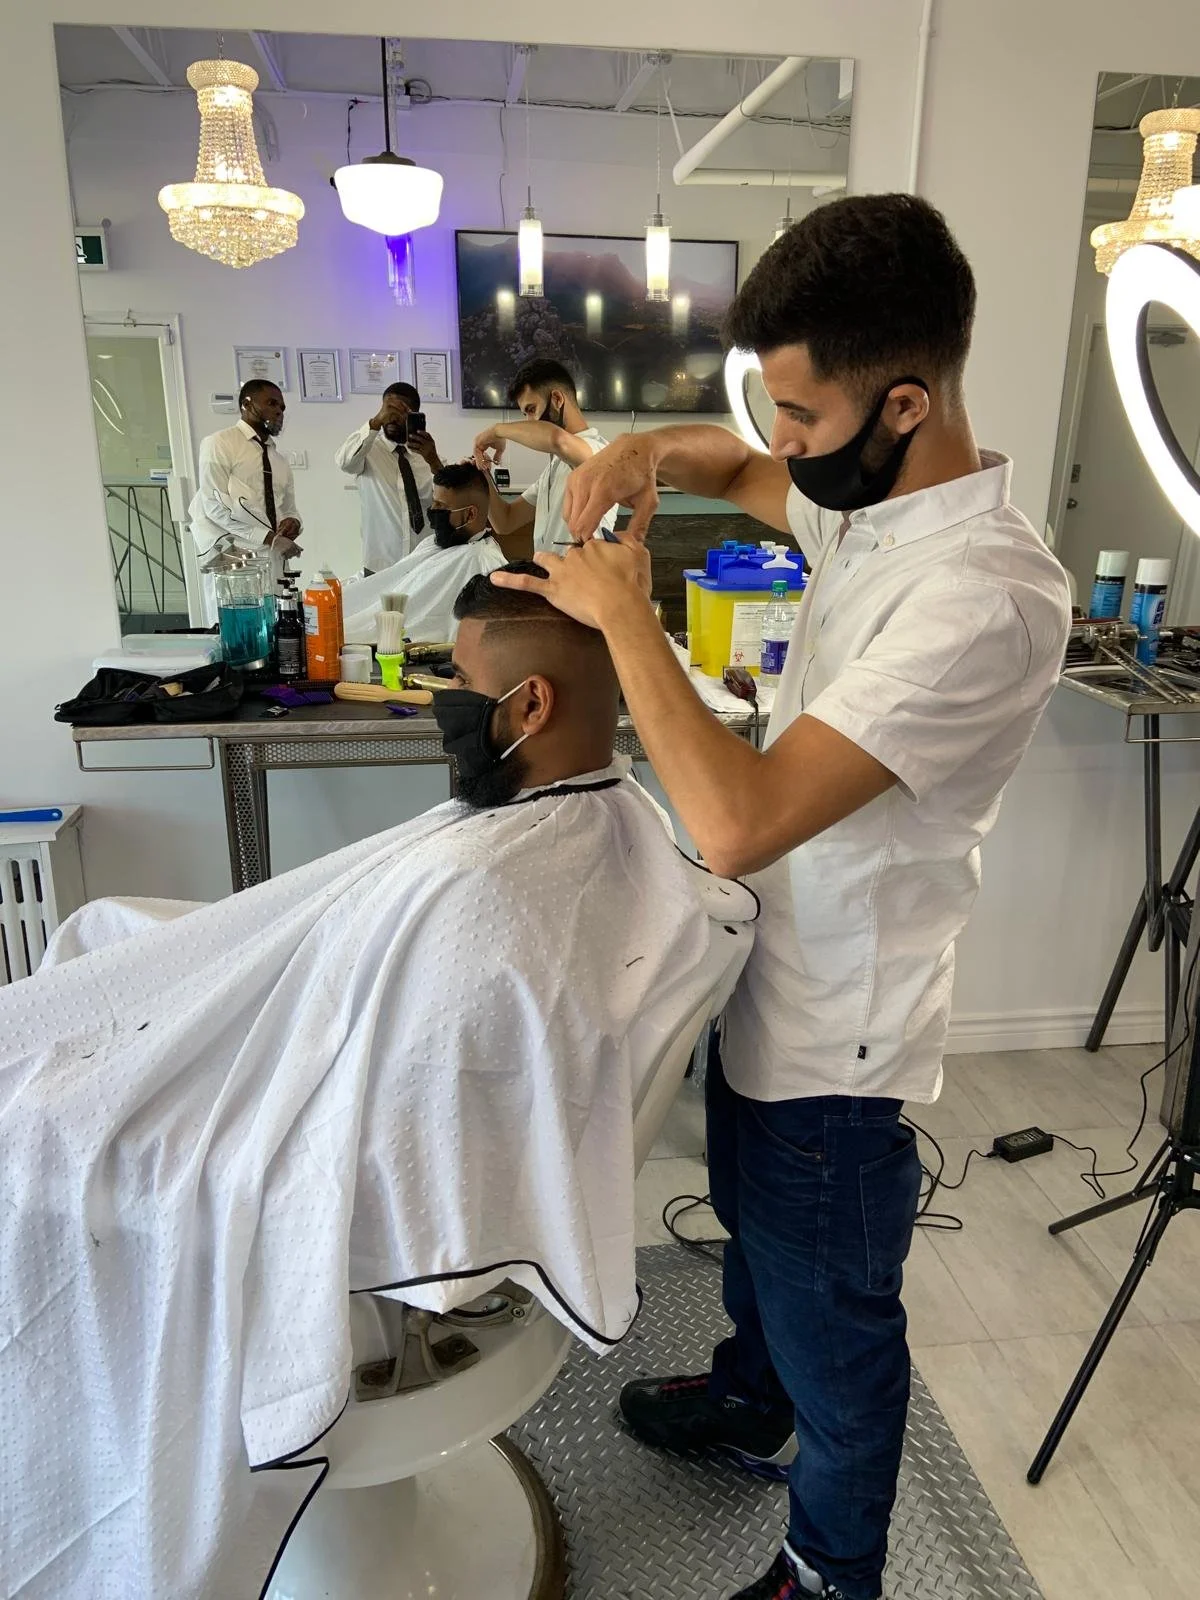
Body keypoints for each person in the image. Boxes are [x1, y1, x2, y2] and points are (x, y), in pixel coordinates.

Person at [493, 194, 1073, 1600]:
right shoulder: (870, 506)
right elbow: (724, 461)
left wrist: (624, 613)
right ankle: (754, 1400)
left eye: (805, 417)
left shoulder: (983, 595)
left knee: (839, 1324)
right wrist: (638, 448)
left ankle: (831, 1568)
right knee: (753, 1236)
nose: (784, 446)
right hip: (767, 980)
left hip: (844, 1030)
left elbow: (738, 821)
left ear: (907, 400)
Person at [0, 564, 754, 1600]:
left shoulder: (496, 894)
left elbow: (394, 1115)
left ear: (528, 705)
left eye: (457, 682)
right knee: (108, 941)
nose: (442, 703)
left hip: (311, 1080)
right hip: (310, 1014)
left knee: (46, 1109)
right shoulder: (606, 825)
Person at [341, 460, 504, 645]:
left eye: (441, 506)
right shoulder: (434, 543)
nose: (433, 510)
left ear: (471, 514)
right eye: (434, 502)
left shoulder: (481, 563)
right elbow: (394, 578)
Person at [473, 357, 618, 555]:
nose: (529, 422)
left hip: (584, 580)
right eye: (525, 414)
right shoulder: (554, 468)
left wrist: (497, 430)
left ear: (557, 399)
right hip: (551, 580)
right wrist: (481, 475)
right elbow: (506, 521)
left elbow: (558, 440)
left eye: (531, 410)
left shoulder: (598, 450)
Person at [189, 379, 303, 623]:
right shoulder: (220, 443)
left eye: (282, 407)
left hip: (274, 562)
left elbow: (289, 509)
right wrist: (270, 538)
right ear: (246, 404)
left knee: (275, 632)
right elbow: (214, 505)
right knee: (237, 638)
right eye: (272, 403)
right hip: (235, 559)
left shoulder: (280, 461)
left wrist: (293, 523)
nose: (279, 411)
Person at [335, 380, 443, 573]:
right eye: (388, 408)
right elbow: (344, 462)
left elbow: (449, 499)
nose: (392, 418)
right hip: (380, 565)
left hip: (423, 564)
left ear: (414, 415)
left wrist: (434, 461)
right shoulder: (368, 451)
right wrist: (375, 421)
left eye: (400, 411)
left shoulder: (428, 455)